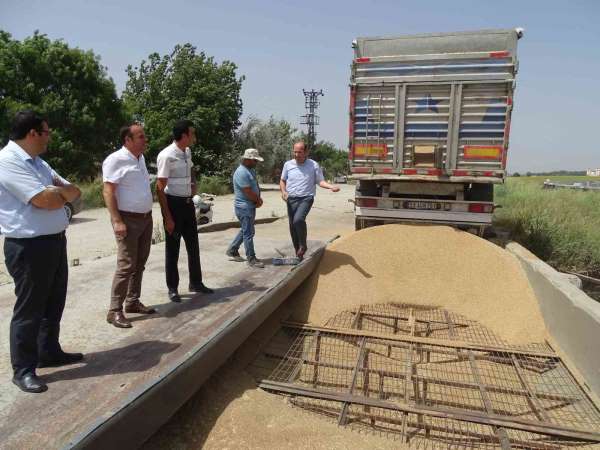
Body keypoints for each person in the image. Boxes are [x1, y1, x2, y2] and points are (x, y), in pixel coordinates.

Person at [0, 111, 83, 393]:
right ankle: (23, 369)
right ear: (33, 133)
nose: (50, 137)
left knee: (53, 301)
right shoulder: (8, 161)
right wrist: (56, 193)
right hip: (28, 246)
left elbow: (74, 191)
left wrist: (56, 192)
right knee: (30, 309)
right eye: (46, 132)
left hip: (54, 241)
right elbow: (44, 200)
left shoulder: (39, 163)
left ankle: (48, 351)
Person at [102, 124, 155, 328]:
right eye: (141, 136)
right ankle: (114, 310)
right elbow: (108, 192)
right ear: (128, 140)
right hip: (127, 220)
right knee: (126, 265)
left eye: (144, 136)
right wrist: (117, 220)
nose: (145, 139)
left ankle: (132, 302)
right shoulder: (116, 160)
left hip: (145, 218)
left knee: (140, 262)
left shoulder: (140, 158)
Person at [156, 120, 213, 303]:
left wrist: (193, 184)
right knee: (172, 249)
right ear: (184, 135)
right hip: (173, 204)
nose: (194, 137)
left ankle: (196, 282)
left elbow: (191, 169)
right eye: (192, 133)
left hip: (188, 205)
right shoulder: (167, 156)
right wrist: (167, 217)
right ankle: (173, 288)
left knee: (193, 246)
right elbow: (159, 187)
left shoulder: (187, 152)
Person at [279, 141, 340, 260]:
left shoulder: (313, 165)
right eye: (295, 152)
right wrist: (283, 192)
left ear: (306, 152)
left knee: (298, 220)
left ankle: (303, 245)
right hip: (291, 199)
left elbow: (320, 181)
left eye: (299, 152)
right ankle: (298, 253)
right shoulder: (288, 164)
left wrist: (331, 186)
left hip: (306, 198)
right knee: (292, 226)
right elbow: (282, 180)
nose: (296, 154)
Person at [226, 148, 265, 268]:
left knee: (246, 230)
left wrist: (258, 199)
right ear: (248, 159)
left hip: (249, 205)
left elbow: (254, 187)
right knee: (248, 232)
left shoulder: (250, 170)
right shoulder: (242, 172)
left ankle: (232, 250)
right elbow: (247, 191)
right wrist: (258, 200)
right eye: (255, 160)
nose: (256, 163)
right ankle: (251, 258)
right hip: (244, 207)